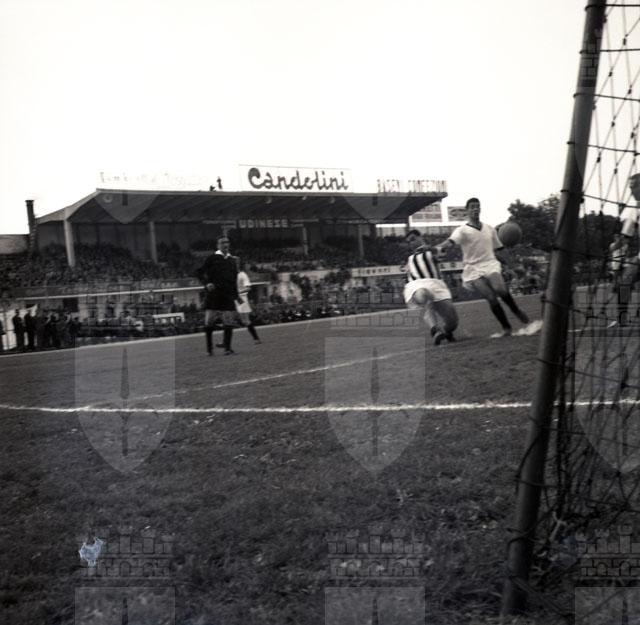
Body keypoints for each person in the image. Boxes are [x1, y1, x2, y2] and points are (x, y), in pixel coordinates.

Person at [435, 197, 530, 337]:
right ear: (467, 210)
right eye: (472, 207)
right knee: (491, 297)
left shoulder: (490, 229)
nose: (475, 209)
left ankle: (516, 310)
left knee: (500, 289)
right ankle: (506, 327)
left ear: (480, 209)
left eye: (477, 206)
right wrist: (436, 247)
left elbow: (500, 249)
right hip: (472, 268)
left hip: (490, 263)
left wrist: (513, 266)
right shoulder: (462, 230)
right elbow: (450, 242)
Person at [404, 229, 458, 345]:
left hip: (436, 285)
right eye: (409, 242)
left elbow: (442, 253)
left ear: (420, 237)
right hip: (417, 285)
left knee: (453, 322)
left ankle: (446, 331)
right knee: (424, 294)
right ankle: (435, 330)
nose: (411, 243)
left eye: (413, 239)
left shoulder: (431, 252)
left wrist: (430, 249)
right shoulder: (410, 259)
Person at [197, 235, 241, 356]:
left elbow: (234, 280)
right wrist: (207, 283)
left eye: (227, 242)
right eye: (222, 243)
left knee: (228, 322)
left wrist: (237, 297)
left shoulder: (232, 261)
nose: (225, 244)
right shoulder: (212, 258)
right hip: (214, 294)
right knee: (209, 322)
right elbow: (199, 272)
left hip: (227, 295)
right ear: (217, 245)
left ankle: (228, 348)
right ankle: (209, 349)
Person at [608, 173, 640, 327]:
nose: (631, 191)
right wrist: (615, 247)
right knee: (624, 284)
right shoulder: (635, 210)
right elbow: (626, 236)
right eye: (630, 187)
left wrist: (613, 248)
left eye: (633, 187)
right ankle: (622, 319)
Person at [234, 259, 261, 344]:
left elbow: (248, 288)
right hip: (235, 298)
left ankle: (256, 338)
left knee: (245, 320)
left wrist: (238, 292)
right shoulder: (232, 275)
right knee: (241, 320)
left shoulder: (242, 275)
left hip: (241, 298)